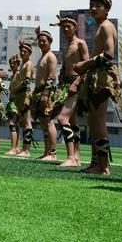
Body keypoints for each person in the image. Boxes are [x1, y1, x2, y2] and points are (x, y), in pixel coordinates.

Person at [74, 0, 121, 175]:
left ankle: (102, 166)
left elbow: (109, 54)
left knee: (99, 121)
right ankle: (95, 163)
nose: (93, 8)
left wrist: (86, 64)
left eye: (98, 5)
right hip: (95, 75)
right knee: (94, 121)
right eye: (91, 5)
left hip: (102, 76)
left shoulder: (107, 26)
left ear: (107, 9)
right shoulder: (100, 26)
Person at [53, 14, 88, 168]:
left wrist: (77, 82)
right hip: (66, 84)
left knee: (62, 119)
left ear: (75, 27)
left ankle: (70, 156)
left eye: (68, 26)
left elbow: (87, 66)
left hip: (76, 83)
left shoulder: (80, 43)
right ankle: (77, 157)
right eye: (63, 26)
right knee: (73, 123)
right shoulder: (66, 46)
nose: (66, 28)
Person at [32, 27, 61, 162]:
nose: (42, 43)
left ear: (50, 42)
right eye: (40, 41)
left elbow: (52, 76)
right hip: (38, 91)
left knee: (48, 121)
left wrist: (45, 93)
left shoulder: (51, 56)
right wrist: (39, 34)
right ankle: (46, 151)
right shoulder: (43, 56)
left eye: (44, 41)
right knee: (43, 122)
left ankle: (53, 153)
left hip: (46, 91)